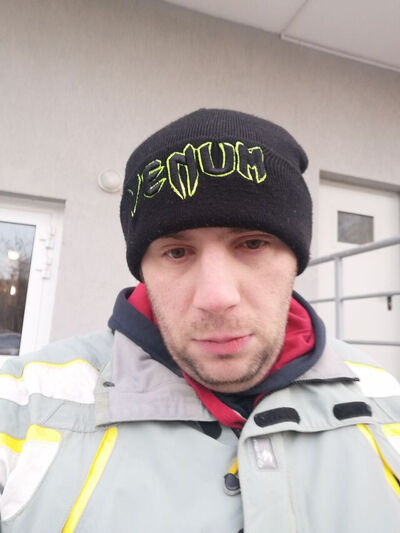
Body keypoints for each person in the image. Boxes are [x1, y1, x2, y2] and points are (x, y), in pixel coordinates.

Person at [0, 109, 399, 533]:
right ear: (144, 270)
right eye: (177, 252)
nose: (216, 297)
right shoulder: (23, 406)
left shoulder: (386, 401)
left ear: (295, 260)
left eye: (252, 243)